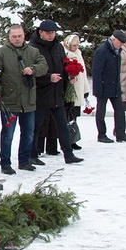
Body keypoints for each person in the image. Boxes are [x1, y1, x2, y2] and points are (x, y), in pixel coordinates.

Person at [0, 24, 48, 175]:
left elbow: (43, 66)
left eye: (19, 36)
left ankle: (24, 161)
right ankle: (5, 163)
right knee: (8, 134)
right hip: (10, 102)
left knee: (28, 133)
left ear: (24, 36)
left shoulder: (33, 52)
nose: (17, 39)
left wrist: (33, 69)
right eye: (14, 36)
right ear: (9, 37)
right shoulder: (1, 53)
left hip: (28, 101)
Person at [29, 20, 84, 164]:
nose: (50, 35)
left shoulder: (58, 47)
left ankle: (68, 154)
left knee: (62, 125)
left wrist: (69, 76)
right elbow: (31, 72)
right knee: (36, 127)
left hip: (57, 93)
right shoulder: (33, 48)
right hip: (40, 94)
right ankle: (32, 155)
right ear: (40, 32)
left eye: (53, 33)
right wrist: (48, 78)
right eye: (48, 33)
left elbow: (63, 65)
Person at [92, 30, 126, 143]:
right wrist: (97, 89)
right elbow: (96, 71)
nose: (120, 45)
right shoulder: (102, 51)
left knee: (120, 110)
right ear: (113, 39)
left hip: (115, 86)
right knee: (101, 111)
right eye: (119, 43)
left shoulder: (117, 51)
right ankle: (101, 134)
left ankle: (121, 133)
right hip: (103, 86)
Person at [63, 33, 88, 150]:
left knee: (74, 116)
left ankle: (73, 139)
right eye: (73, 45)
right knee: (68, 116)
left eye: (77, 45)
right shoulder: (65, 53)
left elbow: (84, 74)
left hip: (78, 88)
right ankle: (67, 140)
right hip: (70, 89)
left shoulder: (78, 54)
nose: (76, 47)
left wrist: (85, 89)